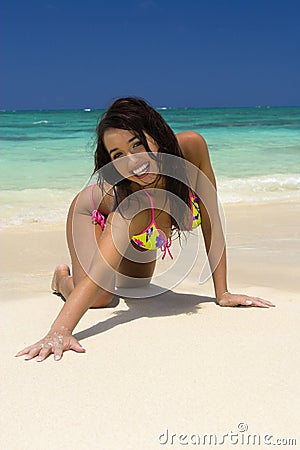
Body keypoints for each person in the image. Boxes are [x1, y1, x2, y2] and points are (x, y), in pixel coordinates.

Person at [16, 97, 275, 362]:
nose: (132, 162)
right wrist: (59, 331)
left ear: (156, 133)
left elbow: (211, 218)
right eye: (118, 156)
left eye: (137, 144)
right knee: (101, 297)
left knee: (137, 288)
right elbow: (97, 275)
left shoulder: (192, 149)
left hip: (144, 229)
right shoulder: (132, 206)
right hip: (91, 212)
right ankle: (61, 279)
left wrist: (223, 293)